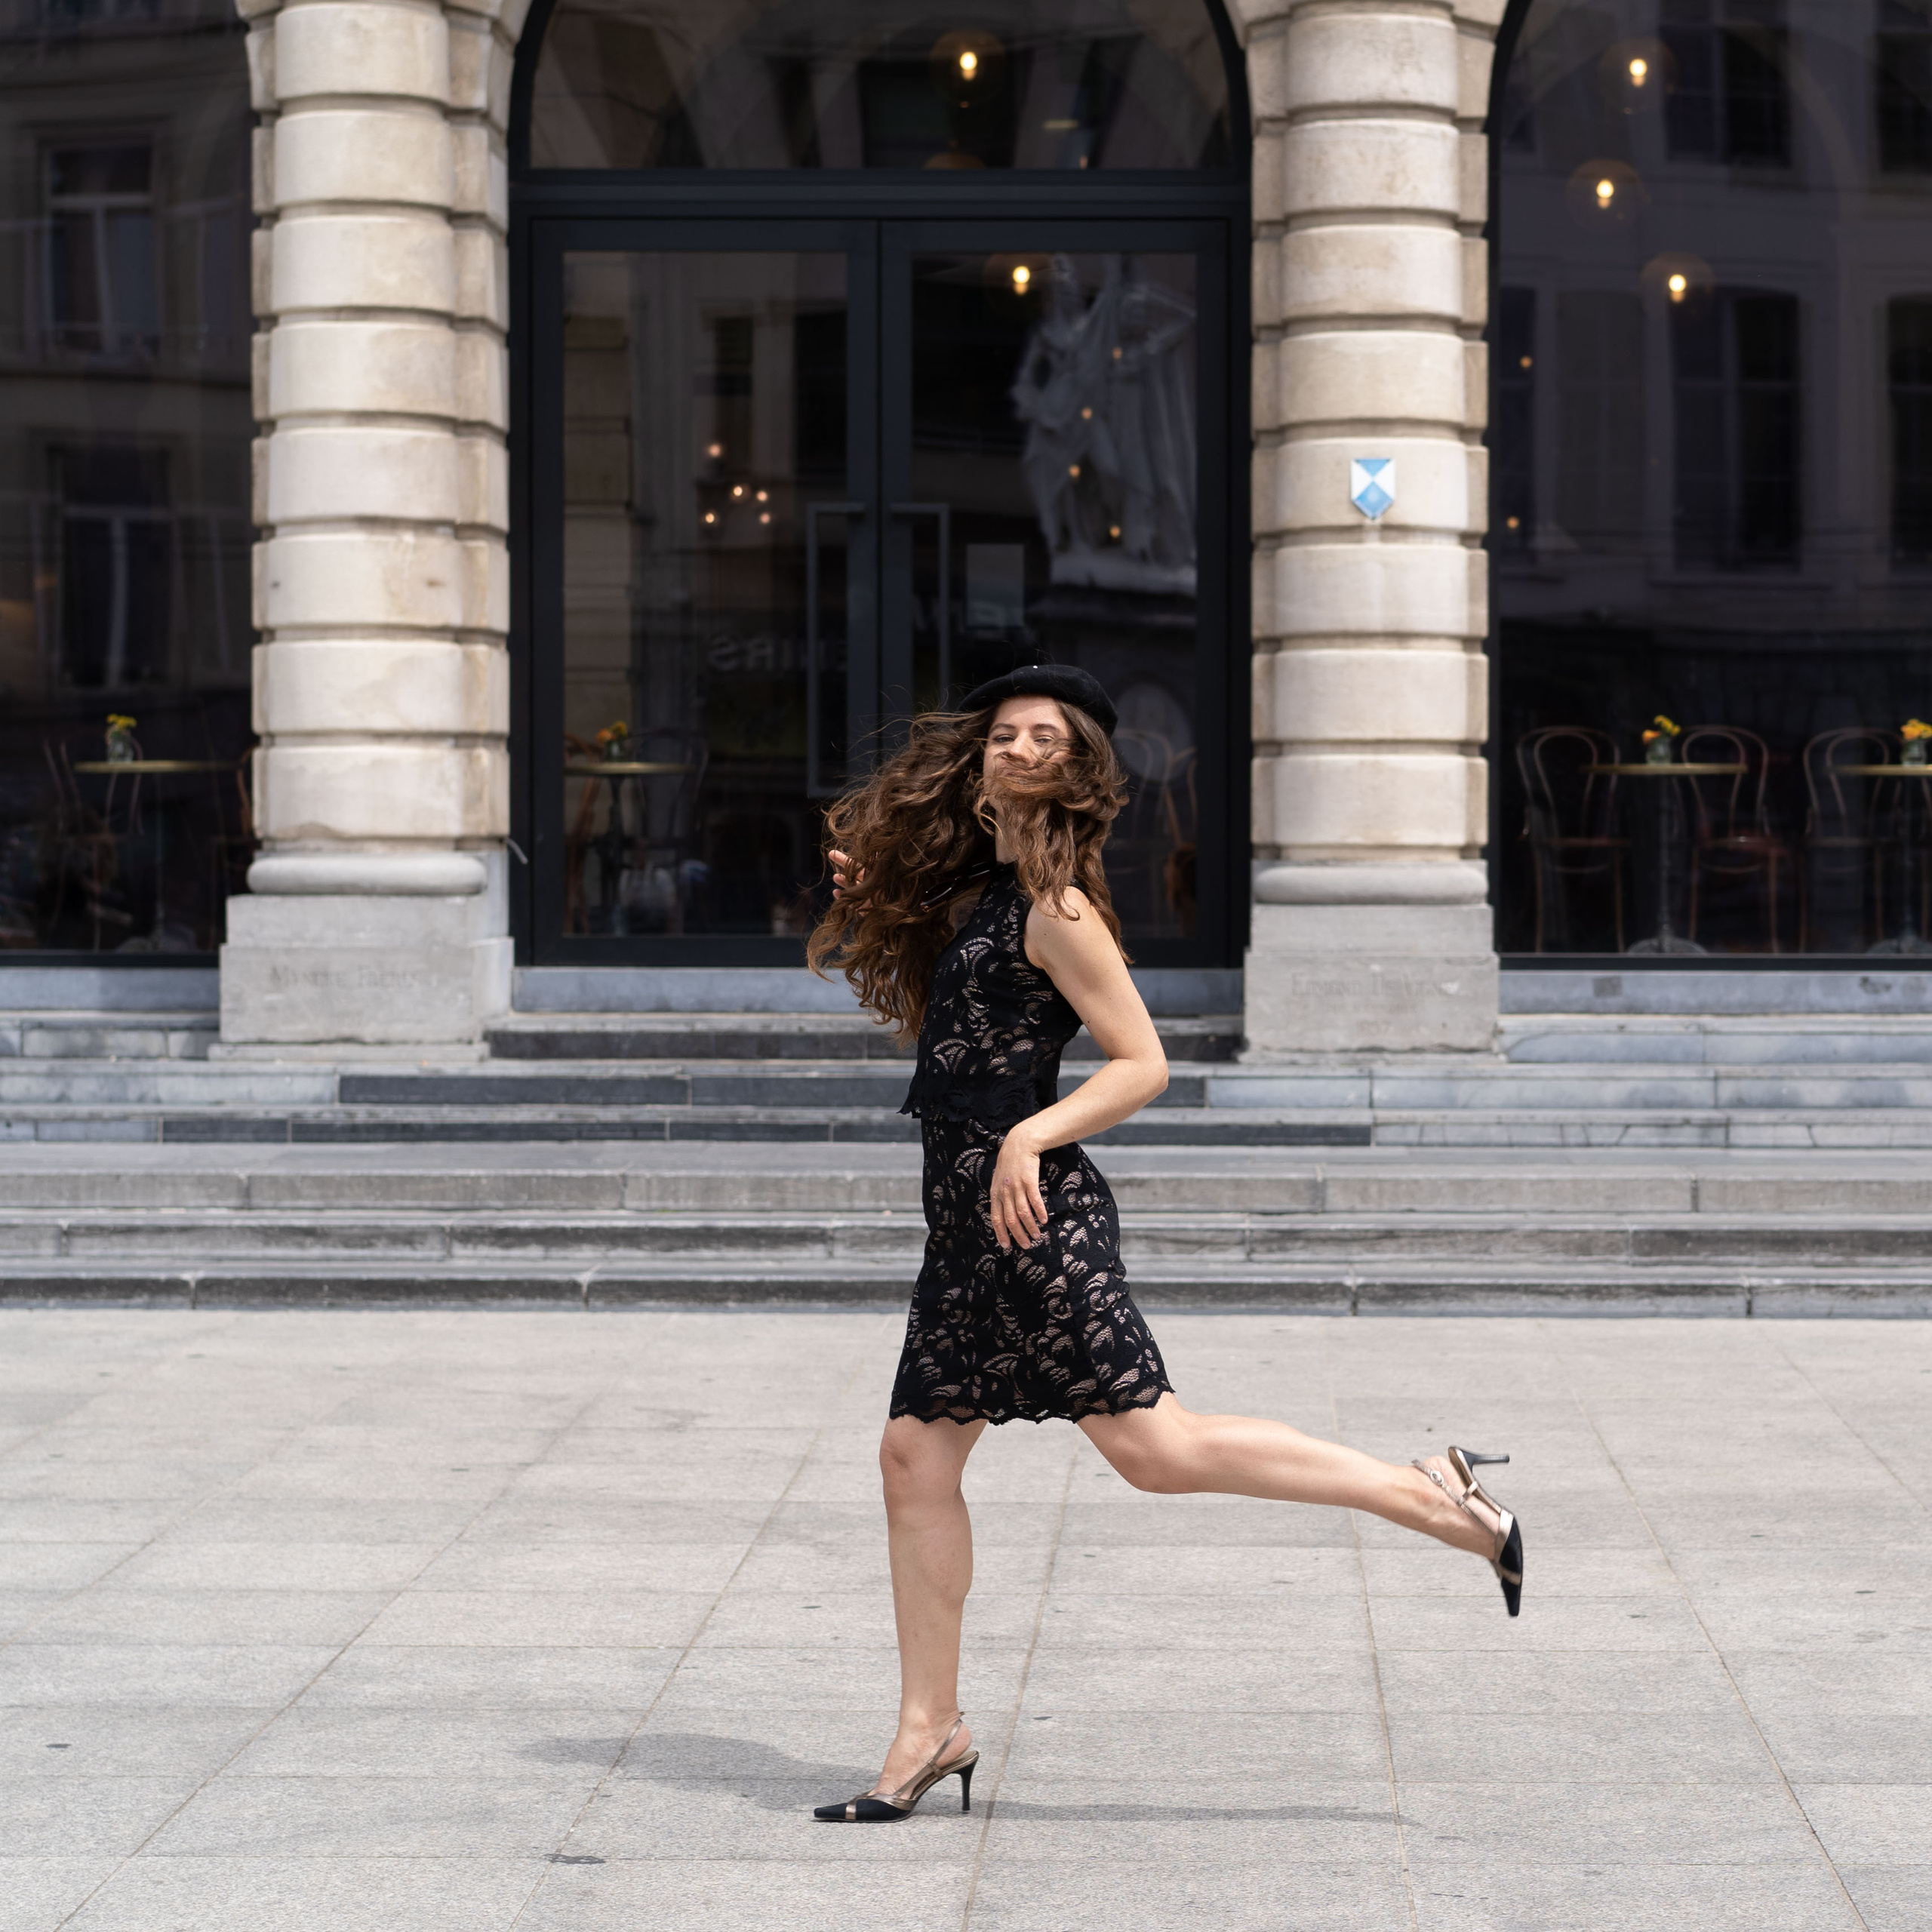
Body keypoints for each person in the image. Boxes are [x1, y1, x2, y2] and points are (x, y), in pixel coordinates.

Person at [804, 664, 1523, 1825]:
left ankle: (1435, 1497)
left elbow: (1143, 1062)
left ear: (1078, 770)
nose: (1019, 746)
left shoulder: (1061, 911)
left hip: (1035, 1223)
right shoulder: (983, 895)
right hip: (964, 1231)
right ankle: (928, 1730)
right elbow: (954, 1026)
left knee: (1159, 1452)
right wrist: (871, 893)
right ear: (978, 769)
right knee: (914, 1461)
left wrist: (1031, 1136)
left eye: (1046, 737)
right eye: (1003, 734)